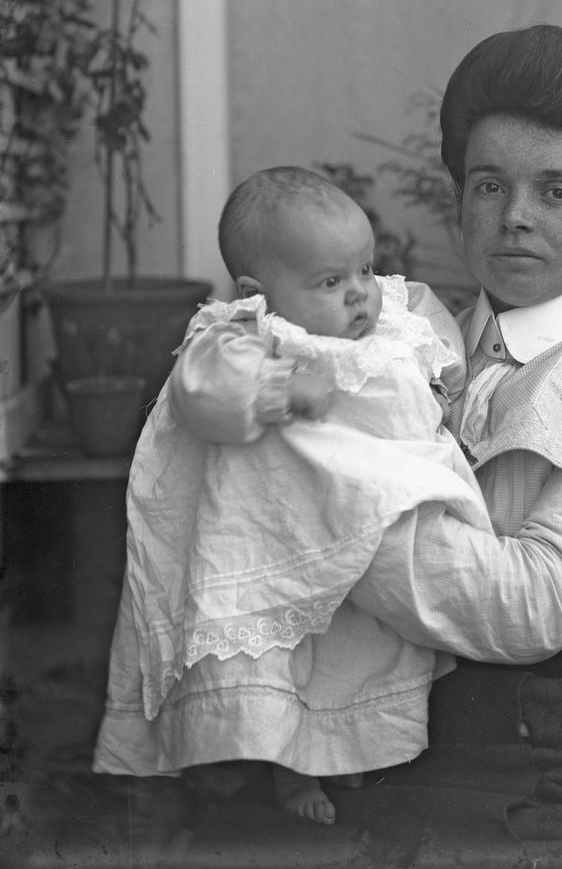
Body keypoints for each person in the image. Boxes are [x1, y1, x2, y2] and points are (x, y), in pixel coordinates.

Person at [338, 24, 562, 867]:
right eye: (489, 185)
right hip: (380, 750)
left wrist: (323, 526)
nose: (514, 218)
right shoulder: (388, 343)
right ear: (460, 200)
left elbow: (535, 603)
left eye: (556, 193)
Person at [92, 167, 492, 827]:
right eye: (331, 282)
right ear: (259, 292)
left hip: (364, 526)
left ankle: (352, 751)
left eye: (364, 269)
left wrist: (444, 378)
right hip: (284, 532)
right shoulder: (243, 334)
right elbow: (204, 394)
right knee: (287, 662)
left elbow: (435, 343)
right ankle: (288, 773)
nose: (360, 293)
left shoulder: (388, 313)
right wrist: (279, 389)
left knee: (355, 652)